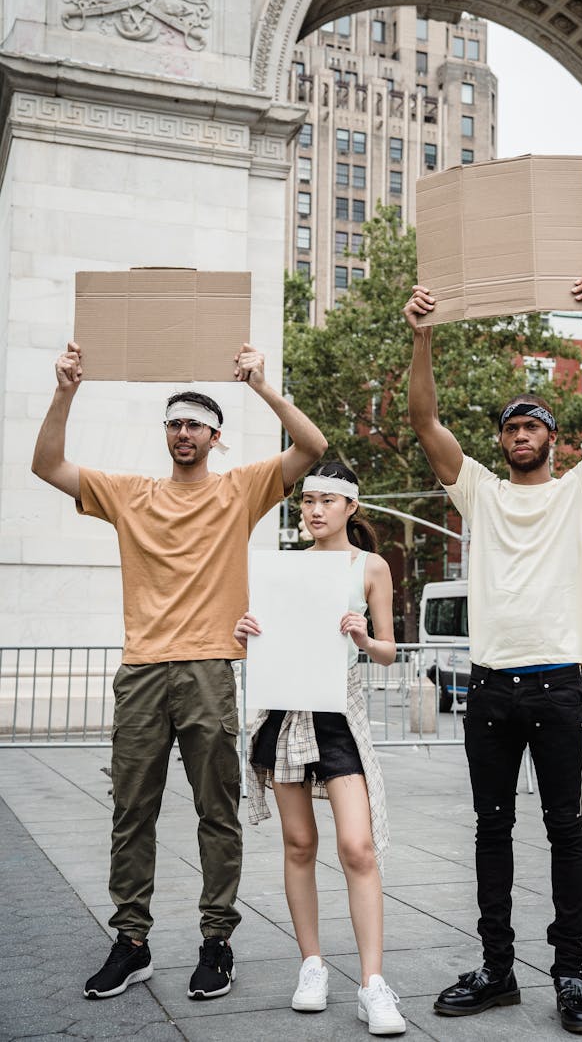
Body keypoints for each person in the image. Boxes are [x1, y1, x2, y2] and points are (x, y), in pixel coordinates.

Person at [31, 340, 327, 1002]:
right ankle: (131, 942)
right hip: (141, 670)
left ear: (215, 436)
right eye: (174, 422)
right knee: (130, 810)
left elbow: (312, 445)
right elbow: (46, 463)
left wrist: (262, 385)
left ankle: (216, 940)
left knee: (214, 813)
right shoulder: (130, 493)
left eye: (195, 423)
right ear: (165, 432)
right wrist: (65, 389)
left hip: (208, 670)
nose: (183, 431)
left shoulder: (238, 488)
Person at [404, 273, 582, 1035]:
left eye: (534, 424)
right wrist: (422, 333)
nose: (522, 434)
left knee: (565, 827)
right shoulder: (479, 490)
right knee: (491, 826)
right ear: (502, 442)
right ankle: (497, 968)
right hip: (492, 690)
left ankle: (570, 972)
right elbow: (424, 415)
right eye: (512, 426)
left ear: (551, 439)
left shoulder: (580, 490)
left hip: (561, 688)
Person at [235, 461, 406, 1036]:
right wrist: (247, 635)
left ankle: (372, 984)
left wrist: (362, 636)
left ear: (351, 507)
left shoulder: (371, 567)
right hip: (284, 709)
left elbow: (388, 651)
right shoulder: (282, 568)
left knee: (357, 846)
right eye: (307, 500)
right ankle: (312, 965)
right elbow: (263, 642)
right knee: (299, 842)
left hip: (339, 712)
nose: (314, 510)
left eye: (328, 500)